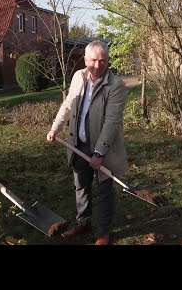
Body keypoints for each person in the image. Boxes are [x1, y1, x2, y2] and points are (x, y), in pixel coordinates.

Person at [46, 40, 129, 245]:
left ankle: (103, 232)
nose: (98, 65)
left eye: (103, 61)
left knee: (104, 190)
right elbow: (68, 105)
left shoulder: (115, 86)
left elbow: (111, 122)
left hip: (104, 149)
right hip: (79, 143)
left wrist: (99, 153)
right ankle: (83, 222)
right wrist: (55, 127)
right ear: (85, 60)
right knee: (80, 186)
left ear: (108, 61)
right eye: (93, 60)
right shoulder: (78, 77)